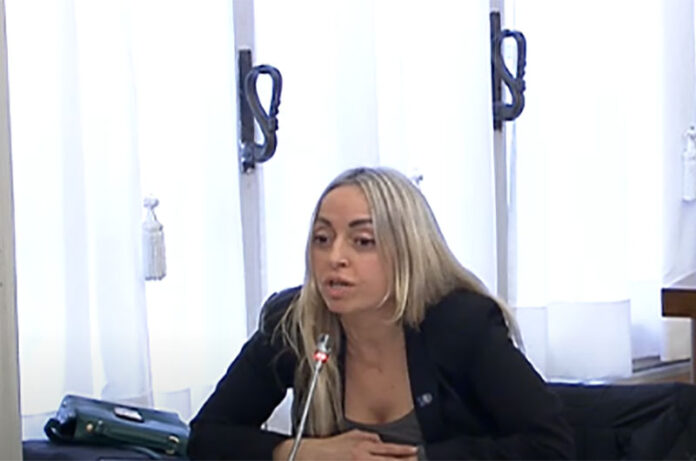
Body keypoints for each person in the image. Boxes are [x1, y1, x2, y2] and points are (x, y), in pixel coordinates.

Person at [187, 166, 575, 460]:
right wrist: (304, 452)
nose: (335, 257)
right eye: (322, 238)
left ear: (407, 252)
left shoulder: (461, 324)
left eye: (362, 241)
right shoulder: (292, 324)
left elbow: (550, 446)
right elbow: (207, 436)